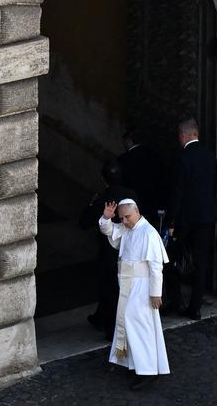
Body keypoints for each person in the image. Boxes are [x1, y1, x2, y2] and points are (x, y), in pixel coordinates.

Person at [99, 197, 170, 387]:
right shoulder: (127, 228)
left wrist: (156, 293)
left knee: (140, 326)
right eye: (121, 218)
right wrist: (106, 219)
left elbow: (156, 266)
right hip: (128, 284)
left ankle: (148, 371)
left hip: (142, 286)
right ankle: (136, 366)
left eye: (127, 217)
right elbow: (111, 233)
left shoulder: (148, 233)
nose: (124, 221)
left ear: (137, 212)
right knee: (129, 323)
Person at [167, 117, 217, 320]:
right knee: (201, 261)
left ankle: (176, 300)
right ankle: (195, 306)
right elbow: (214, 187)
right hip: (206, 217)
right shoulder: (210, 156)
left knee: (174, 258)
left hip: (186, 219)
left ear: (183, 135)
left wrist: (171, 221)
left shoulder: (182, 158)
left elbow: (177, 194)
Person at [79, 161, 138, 341]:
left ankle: (112, 330)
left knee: (111, 290)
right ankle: (102, 319)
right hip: (131, 250)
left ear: (103, 179)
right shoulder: (132, 195)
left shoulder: (103, 199)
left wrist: (92, 204)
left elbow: (84, 223)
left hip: (111, 253)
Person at [118, 128, 162, 224]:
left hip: (132, 202)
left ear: (129, 141)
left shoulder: (124, 159)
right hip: (150, 201)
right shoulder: (152, 155)